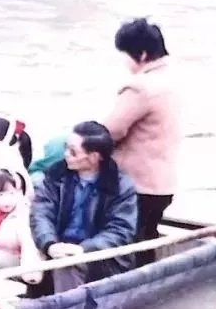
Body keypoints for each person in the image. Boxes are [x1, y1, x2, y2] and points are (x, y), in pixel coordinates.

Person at [102, 18, 182, 268]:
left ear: (142, 54)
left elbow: (110, 132)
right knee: (145, 237)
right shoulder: (172, 80)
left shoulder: (140, 88)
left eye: (125, 54)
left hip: (136, 184)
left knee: (127, 245)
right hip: (163, 183)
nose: (124, 62)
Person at [28, 121, 138, 294]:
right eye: (66, 148)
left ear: (94, 157)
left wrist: (84, 250)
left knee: (68, 264)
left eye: (72, 151)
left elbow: (120, 230)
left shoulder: (121, 186)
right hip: (57, 244)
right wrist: (49, 243)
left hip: (99, 254)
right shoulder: (56, 176)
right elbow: (41, 213)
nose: (66, 155)